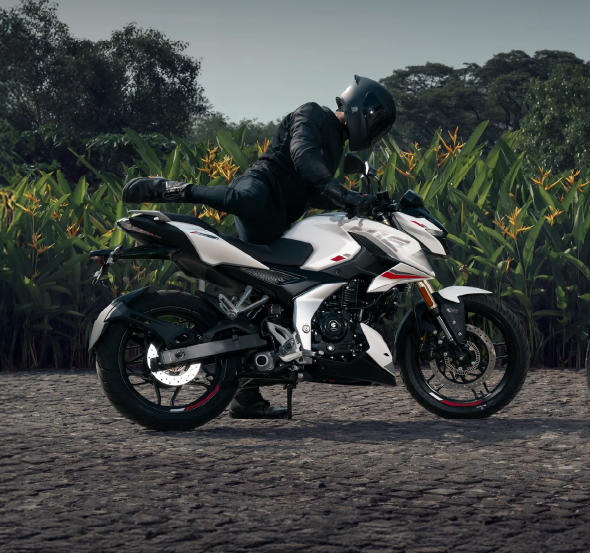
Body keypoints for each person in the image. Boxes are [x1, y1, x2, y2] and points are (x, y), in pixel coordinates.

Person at [121, 75, 396, 419]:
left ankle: (246, 397)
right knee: (247, 198)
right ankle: (174, 189)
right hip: (262, 186)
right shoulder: (312, 114)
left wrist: (359, 204)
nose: (376, 129)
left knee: (266, 303)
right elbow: (304, 158)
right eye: (378, 119)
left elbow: (317, 190)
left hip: (280, 217)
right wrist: (344, 193)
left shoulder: (337, 148)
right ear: (361, 108)